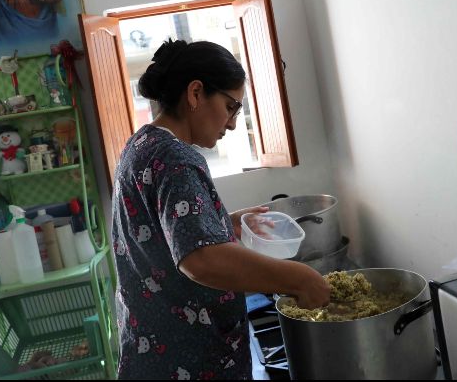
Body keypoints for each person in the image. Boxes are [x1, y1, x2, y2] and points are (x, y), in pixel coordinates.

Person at [111, 39, 330, 380]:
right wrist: (300, 279)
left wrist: (224, 223)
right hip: (189, 361)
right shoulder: (176, 158)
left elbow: (157, 239)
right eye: (230, 107)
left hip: (152, 351)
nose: (231, 123)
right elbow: (201, 260)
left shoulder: (141, 144)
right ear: (196, 93)